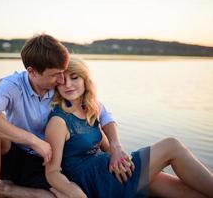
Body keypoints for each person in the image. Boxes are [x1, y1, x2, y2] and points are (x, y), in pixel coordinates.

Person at [0, 34, 114, 198]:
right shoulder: (14, 85)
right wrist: (33, 140)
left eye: (63, 72)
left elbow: (100, 112)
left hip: (48, 162)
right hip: (15, 155)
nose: (62, 80)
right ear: (32, 72)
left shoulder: (62, 88)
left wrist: (115, 147)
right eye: (55, 75)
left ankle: (6, 190)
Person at [45, 57, 213, 198]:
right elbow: (52, 172)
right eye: (62, 81)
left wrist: (121, 159)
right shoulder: (59, 121)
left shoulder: (89, 110)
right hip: (96, 181)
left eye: (74, 77)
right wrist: (76, 194)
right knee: (172, 145)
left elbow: (106, 148)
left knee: (187, 191)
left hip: (109, 171)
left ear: (85, 80)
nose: (68, 85)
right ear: (56, 85)